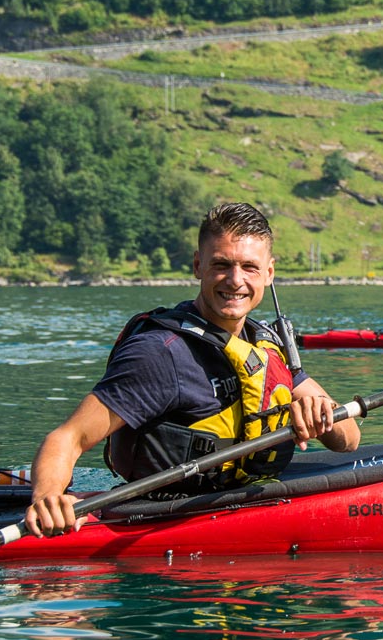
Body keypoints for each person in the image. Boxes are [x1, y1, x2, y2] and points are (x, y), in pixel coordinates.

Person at [25, 202, 360, 538]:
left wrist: (321, 414)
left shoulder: (265, 344)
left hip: (243, 507)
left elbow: (349, 440)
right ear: (198, 265)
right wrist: (48, 497)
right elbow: (68, 437)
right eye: (221, 265)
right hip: (163, 521)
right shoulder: (160, 353)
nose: (235, 281)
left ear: (269, 273)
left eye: (249, 267)